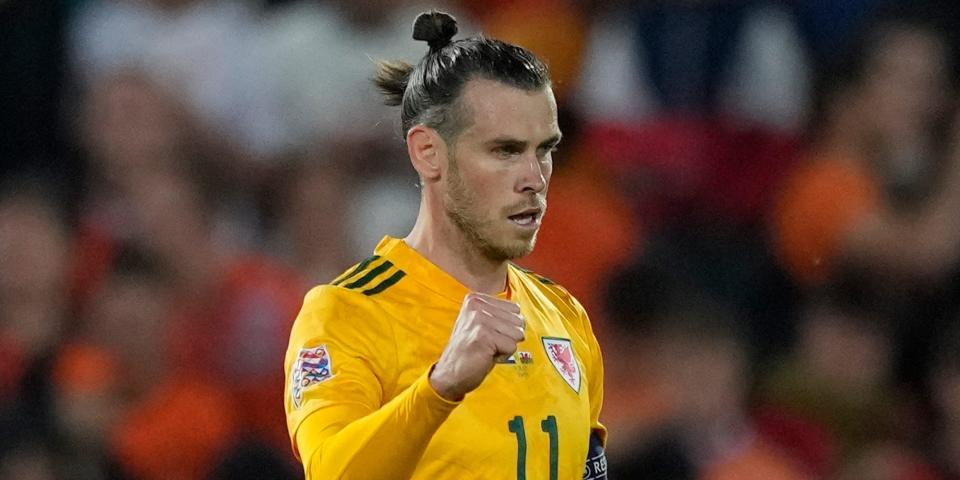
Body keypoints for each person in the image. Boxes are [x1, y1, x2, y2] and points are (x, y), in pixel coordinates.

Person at [283, 10, 606, 480]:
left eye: (545, 150)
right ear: (428, 153)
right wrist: (440, 387)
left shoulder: (564, 316)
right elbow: (330, 470)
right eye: (506, 151)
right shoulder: (347, 313)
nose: (534, 179)